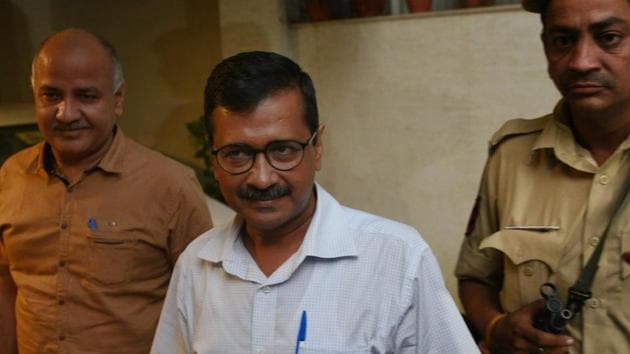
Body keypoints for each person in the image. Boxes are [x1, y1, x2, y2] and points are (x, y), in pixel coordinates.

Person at [151, 51, 478, 353]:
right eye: (237, 154)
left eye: (282, 150)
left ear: (317, 146)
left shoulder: (396, 259)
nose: (261, 178)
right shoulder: (197, 266)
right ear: (213, 155)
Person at [0, 28, 213, 353]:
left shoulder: (170, 187)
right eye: (51, 95)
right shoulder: (10, 177)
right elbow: (6, 285)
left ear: (118, 100)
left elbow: (206, 306)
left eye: (86, 96)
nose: (66, 113)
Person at [455, 0, 630, 353]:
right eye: (562, 40)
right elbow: (476, 277)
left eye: (609, 37)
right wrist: (495, 327)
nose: (581, 61)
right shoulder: (511, 155)